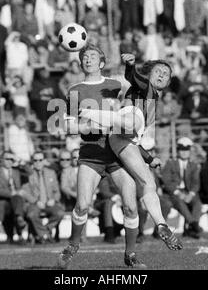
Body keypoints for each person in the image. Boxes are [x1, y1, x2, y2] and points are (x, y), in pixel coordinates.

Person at [58, 44, 151, 269]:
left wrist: (131, 65)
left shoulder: (116, 84)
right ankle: (72, 246)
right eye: (85, 57)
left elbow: (140, 88)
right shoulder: (74, 90)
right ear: (81, 64)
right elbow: (69, 126)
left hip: (119, 151)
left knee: (130, 206)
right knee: (81, 205)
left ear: (101, 63)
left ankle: (130, 254)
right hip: (91, 152)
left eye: (92, 56)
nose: (88, 59)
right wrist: (95, 122)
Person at [82, 52, 183, 250]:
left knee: (149, 183)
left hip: (126, 139)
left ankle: (161, 224)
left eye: (166, 74)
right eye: (158, 71)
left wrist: (149, 158)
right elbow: (133, 78)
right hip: (126, 125)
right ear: (149, 74)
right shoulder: (145, 86)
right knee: (132, 121)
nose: (162, 75)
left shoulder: (153, 99)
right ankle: (91, 113)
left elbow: (135, 140)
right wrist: (131, 65)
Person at [161, 137, 202, 239]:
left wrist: (191, 194)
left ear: (189, 151)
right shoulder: (170, 163)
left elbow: (196, 183)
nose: (184, 152)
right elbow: (166, 181)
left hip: (188, 192)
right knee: (180, 202)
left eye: (186, 150)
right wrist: (179, 193)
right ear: (178, 150)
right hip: (174, 193)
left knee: (197, 202)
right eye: (181, 150)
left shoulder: (193, 165)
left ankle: (192, 227)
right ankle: (194, 225)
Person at [21, 151, 64, 244]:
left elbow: (57, 192)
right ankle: (45, 235)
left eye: (40, 160)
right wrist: (36, 201)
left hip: (50, 203)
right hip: (34, 204)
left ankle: (43, 233)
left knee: (60, 213)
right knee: (31, 215)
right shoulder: (28, 174)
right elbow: (25, 192)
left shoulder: (51, 173)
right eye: (35, 160)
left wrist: (54, 199)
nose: (38, 162)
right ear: (32, 161)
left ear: (44, 161)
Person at [0, 151, 27, 243]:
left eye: (12, 159)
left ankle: (19, 219)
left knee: (17, 201)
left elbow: (30, 173)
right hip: (3, 201)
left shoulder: (17, 172)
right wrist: (13, 193)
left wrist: (21, 162)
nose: (10, 161)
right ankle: (19, 223)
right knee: (13, 203)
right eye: (8, 159)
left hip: (17, 201)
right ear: (1, 160)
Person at [94, 174, 123, 244]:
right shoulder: (105, 176)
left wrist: (123, 199)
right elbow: (105, 192)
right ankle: (110, 234)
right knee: (109, 203)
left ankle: (136, 234)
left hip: (121, 200)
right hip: (102, 202)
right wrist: (117, 198)